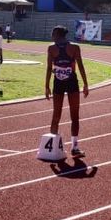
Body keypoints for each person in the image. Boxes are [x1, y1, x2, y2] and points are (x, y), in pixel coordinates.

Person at [45, 25, 89, 157]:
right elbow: (80, 66)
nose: (51, 36)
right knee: (73, 116)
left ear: (58, 35)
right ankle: (73, 148)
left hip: (60, 83)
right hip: (70, 83)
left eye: (53, 34)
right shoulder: (74, 48)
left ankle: (59, 147)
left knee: (57, 115)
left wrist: (46, 86)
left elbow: (49, 68)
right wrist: (85, 84)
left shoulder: (52, 48)